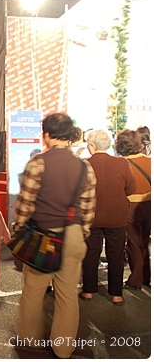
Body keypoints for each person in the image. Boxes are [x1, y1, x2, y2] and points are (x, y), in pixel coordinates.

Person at [12, 112, 96, 359]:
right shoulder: (85, 167)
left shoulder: (37, 163)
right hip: (72, 236)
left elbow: (25, 206)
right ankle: (62, 347)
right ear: (70, 136)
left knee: (33, 292)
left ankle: (29, 341)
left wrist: (20, 229)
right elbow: (89, 209)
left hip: (41, 237)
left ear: (46, 135)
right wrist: (81, 233)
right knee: (67, 295)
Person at [80, 130, 136, 305]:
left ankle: (89, 290)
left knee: (90, 252)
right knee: (116, 254)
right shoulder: (122, 164)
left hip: (91, 217)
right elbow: (131, 188)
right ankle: (116, 294)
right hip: (116, 217)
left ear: (91, 146)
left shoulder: (84, 164)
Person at [115, 129, 151, 290]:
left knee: (134, 243)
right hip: (149, 204)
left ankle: (136, 280)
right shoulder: (149, 160)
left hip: (131, 206)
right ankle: (146, 276)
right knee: (144, 241)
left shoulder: (121, 164)